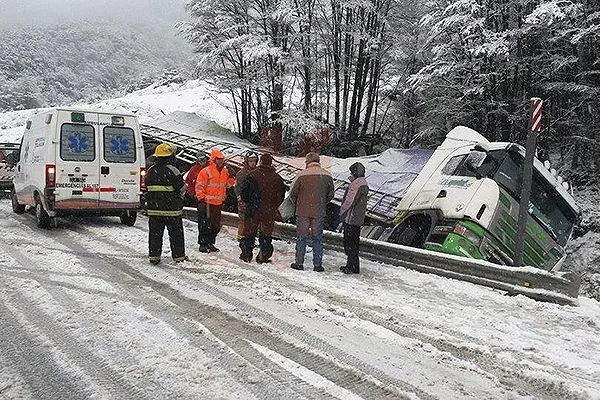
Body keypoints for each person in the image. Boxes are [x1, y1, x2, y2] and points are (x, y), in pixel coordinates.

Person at [289, 152, 334, 272]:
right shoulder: (327, 175)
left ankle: (299, 262)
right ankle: (317, 264)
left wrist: (298, 203)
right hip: (319, 211)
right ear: (318, 161)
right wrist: (322, 203)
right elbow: (331, 194)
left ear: (307, 162)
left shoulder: (301, 175)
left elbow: (292, 193)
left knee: (301, 237)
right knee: (317, 238)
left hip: (302, 211)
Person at [145, 143, 188, 265]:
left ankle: (154, 256)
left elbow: (147, 187)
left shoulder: (151, 170)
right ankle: (179, 257)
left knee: (155, 234)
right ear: (170, 156)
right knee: (176, 235)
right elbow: (180, 187)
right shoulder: (173, 170)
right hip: (172, 210)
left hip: (154, 210)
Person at [240, 153, 286, 263]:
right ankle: (264, 254)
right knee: (266, 233)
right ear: (271, 163)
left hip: (253, 208)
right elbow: (281, 195)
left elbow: (244, 194)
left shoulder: (252, 175)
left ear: (260, 162)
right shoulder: (277, 178)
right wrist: (273, 206)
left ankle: (247, 253)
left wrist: (249, 202)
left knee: (249, 231)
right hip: (269, 210)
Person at [195, 148, 235, 253]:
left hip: (217, 203)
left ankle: (210, 243)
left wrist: (232, 176)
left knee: (215, 225)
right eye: (219, 159)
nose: (221, 161)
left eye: (222, 159)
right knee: (204, 225)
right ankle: (203, 244)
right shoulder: (206, 171)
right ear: (214, 159)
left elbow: (228, 185)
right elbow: (199, 186)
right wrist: (201, 199)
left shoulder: (225, 172)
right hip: (207, 203)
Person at [339, 162, 369, 274]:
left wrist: (341, 212)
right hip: (358, 218)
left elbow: (349, 202)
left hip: (350, 218)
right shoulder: (364, 184)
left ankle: (350, 265)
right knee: (355, 242)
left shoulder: (356, 184)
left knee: (349, 242)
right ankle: (355, 266)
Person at [234, 151, 258, 247]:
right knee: (243, 220)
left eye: (254, 161)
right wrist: (240, 200)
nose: (253, 163)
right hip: (244, 201)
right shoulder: (241, 174)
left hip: (253, 201)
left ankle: (250, 238)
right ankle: (241, 238)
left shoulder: (257, 173)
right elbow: (237, 188)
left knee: (252, 221)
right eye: (250, 161)